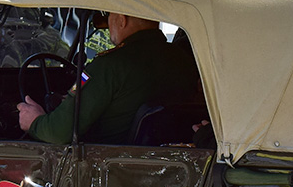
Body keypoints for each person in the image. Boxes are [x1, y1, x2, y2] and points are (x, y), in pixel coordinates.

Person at [17, 12, 197, 145]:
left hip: (105, 165)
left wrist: (35, 123)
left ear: (121, 19)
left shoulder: (109, 65)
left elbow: (59, 132)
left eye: (109, 16)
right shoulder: (183, 60)